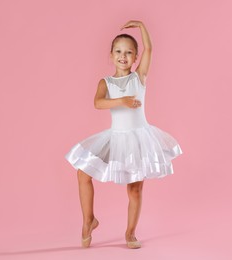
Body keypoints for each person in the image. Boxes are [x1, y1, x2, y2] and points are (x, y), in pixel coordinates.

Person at [65, 20, 182, 249]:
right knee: (82, 172)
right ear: (110, 55)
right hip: (115, 137)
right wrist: (123, 101)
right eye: (118, 51)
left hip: (139, 139)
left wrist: (141, 26)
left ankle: (130, 233)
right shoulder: (105, 82)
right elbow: (98, 103)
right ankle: (89, 219)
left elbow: (150, 49)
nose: (123, 56)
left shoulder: (139, 78)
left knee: (135, 188)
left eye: (129, 52)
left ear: (136, 58)